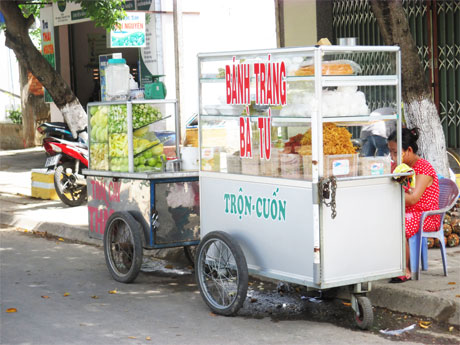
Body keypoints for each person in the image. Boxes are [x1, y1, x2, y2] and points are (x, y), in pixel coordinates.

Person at [387, 128, 440, 283]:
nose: (392, 157)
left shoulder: (423, 168)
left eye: (396, 153)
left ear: (408, 150)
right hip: (405, 211)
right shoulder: (397, 167)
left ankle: (405, 269)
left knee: (400, 224)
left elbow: (412, 199)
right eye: (390, 152)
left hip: (425, 215)